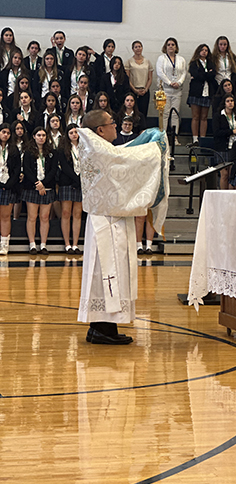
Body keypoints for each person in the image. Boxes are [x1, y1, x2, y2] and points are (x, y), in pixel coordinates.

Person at [77, 109, 169, 344]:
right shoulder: (98, 149)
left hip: (110, 219)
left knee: (109, 274)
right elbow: (123, 161)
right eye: (112, 123)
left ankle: (103, 327)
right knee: (108, 273)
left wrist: (143, 140)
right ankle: (102, 329)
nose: (116, 127)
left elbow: (121, 153)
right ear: (100, 130)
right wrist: (154, 147)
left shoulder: (98, 147)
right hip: (107, 224)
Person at [22, 126, 57, 254]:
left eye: (43, 135)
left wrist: (43, 184)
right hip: (32, 188)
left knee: (45, 216)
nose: (41, 138)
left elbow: (53, 171)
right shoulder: (28, 152)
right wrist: (38, 184)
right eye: (39, 135)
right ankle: (32, 244)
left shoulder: (52, 152)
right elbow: (27, 170)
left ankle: (43, 244)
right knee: (32, 216)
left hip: (47, 187)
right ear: (34, 137)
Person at [156, 37, 186, 144]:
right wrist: (169, 82)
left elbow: (183, 73)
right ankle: (163, 137)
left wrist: (179, 83)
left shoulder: (181, 59)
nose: (171, 46)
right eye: (169, 44)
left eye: (173, 44)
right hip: (165, 90)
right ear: (165, 46)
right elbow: (160, 72)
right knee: (165, 114)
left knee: (175, 114)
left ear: (176, 47)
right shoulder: (162, 58)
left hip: (177, 90)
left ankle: (175, 137)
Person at [58, 124, 83, 253]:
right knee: (66, 213)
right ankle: (67, 244)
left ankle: (75, 244)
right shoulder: (63, 148)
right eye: (71, 132)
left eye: (76, 132)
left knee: (77, 214)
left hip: (81, 183)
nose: (74, 134)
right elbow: (64, 167)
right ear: (67, 134)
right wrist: (76, 178)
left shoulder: (84, 147)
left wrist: (80, 179)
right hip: (67, 182)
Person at [187, 43, 216, 143]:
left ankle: (202, 138)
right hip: (196, 92)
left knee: (204, 117)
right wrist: (207, 74)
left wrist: (204, 75)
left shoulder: (211, 63)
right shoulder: (194, 63)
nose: (204, 52)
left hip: (207, 92)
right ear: (198, 51)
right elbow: (196, 75)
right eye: (202, 50)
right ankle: (195, 138)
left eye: (206, 50)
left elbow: (212, 75)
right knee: (196, 116)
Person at [0, 123, 21, 255]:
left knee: (5, 216)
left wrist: (8, 184)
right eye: (3, 132)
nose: (5, 135)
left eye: (8, 133)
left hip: (8, 186)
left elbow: (17, 169)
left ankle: (4, 244)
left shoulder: (13, 149)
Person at [125, 40, 154, 117]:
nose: (138, 48)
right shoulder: (129, 62)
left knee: (143, 113)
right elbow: (127, 78)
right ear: (133, 49)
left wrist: (146, 89)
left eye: (139, 46)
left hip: (144, 91)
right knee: (133, 113)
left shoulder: (147, 62)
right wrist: (135, 90)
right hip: (133, 91)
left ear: (142, 48)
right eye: (136, 47)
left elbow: (150, 78)